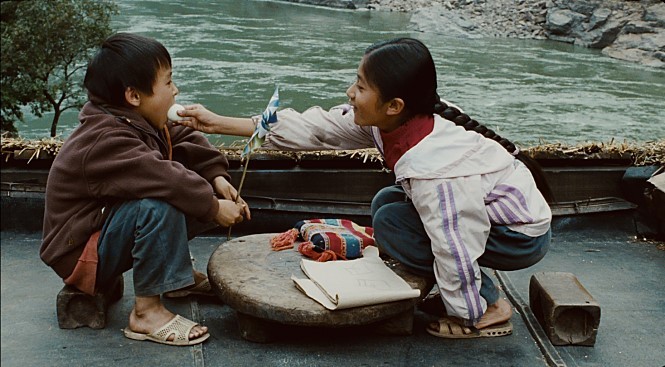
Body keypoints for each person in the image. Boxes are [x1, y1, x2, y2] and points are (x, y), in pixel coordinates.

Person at [175, 37, 552, 339]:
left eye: (360, 86)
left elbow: (456, 244)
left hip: (519, 235)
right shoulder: (399, 119)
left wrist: (464, 312)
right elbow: (316, 128)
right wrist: (218, 123)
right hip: (483, 217)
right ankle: (466, 295)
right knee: (388, 204)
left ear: (394, 105)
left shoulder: (436, 171)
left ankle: (488, 307)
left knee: (398, 228)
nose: (350, 92)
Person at [40, 33, 250, 346]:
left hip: (103, 229)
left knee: (188, 187)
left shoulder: (140, 119)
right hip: (80, 252)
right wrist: (214, 206)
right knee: (159, 202)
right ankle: (146, 314)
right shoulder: (105, 139)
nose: (176, 90)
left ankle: (175, 277)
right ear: (134, 96)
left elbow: (185, 140)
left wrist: (217, 178)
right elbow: (163, 177)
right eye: (168, 82)